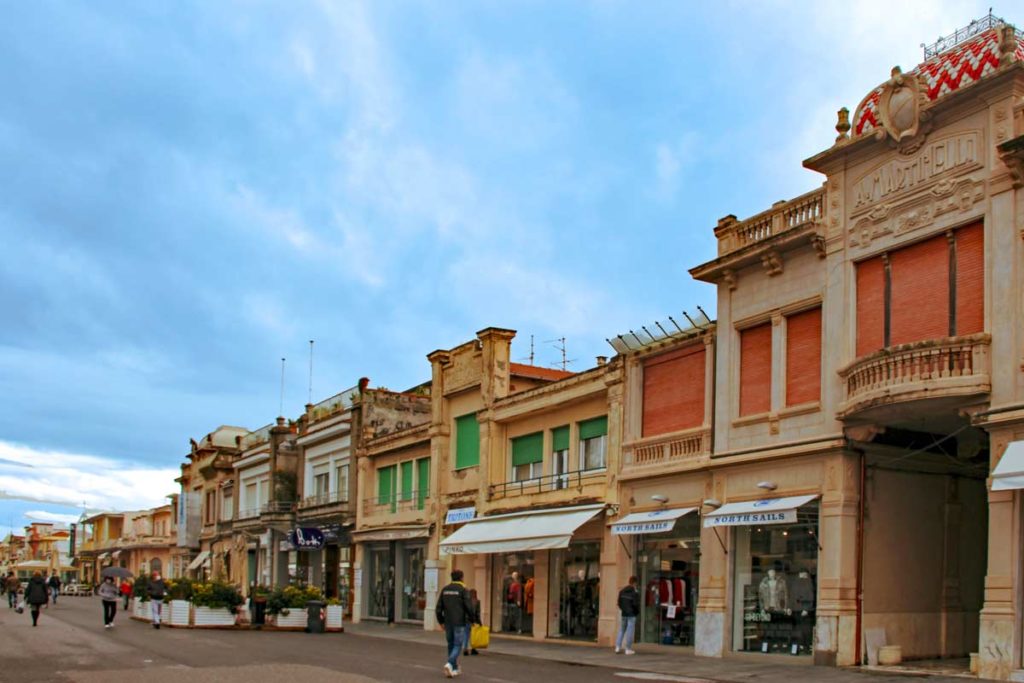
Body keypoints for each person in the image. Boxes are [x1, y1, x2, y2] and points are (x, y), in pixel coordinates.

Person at [435, 569, 475, 678]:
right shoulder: (463, 589)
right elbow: (469, 607)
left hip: (448, 622)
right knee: (457, 645)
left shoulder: (445, 589)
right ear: (461, 577)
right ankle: (449, 663)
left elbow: (438, 608)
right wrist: (472, 619)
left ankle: (454, 668)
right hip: (459, 622)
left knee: (451, 644)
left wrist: (441, 621)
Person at [615, 575, 640, 655]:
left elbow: (619, 603)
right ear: (635, 583)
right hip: (631, 614)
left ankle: (617, 647)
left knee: (622, 630)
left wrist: (623, 609)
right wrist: (636, 612)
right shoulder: (634, 593)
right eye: (636, 583)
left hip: (624, 613)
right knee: (630, 631)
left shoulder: (622, 591)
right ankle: (628, 649)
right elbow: (636, 604)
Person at [463, 588, 482, 657]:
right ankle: (473, 649)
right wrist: (479, 622)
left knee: (466, 635)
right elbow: (477, 613)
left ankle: (465, 649)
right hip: (473, 621)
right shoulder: (477, 602)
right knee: (474, 636)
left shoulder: (466, 602)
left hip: (466, 620)